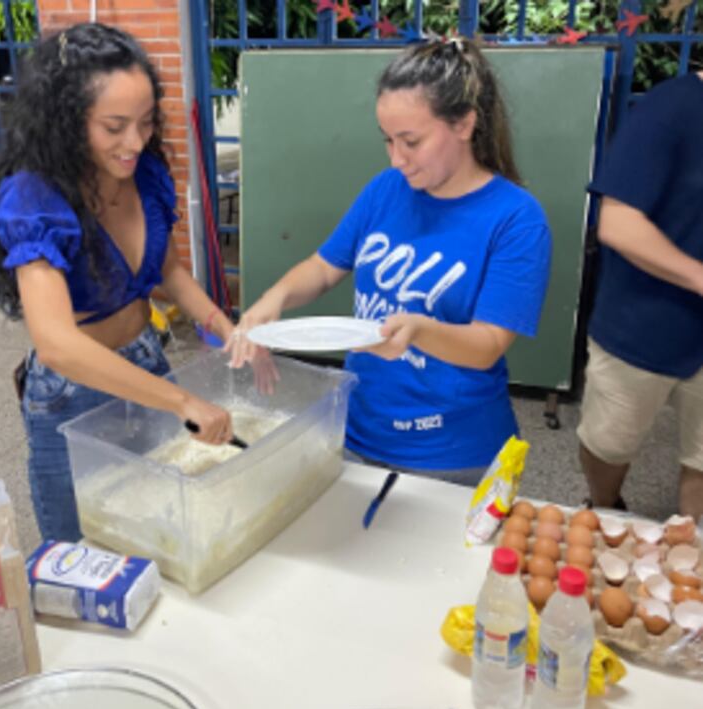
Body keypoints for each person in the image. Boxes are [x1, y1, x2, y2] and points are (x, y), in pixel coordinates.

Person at [229, 39, 551, 484]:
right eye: (388, 140)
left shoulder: (515, 218)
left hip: (453, 450)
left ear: (464, 124)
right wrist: (275, 297)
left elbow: (488, 344)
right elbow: (325, 267)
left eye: (411, 141)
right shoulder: (386, 189)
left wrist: (419, 330)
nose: (397, 158)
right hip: (359, 428)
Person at [0, 23, 239, 542]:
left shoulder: (144, 174)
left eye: (145, 123)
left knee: (158, 529)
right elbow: (56, 344)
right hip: (71, 392)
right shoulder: (35, 198)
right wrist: (182, 401)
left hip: (145, 360)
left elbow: (168, 271)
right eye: (114, 126)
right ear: (69, 122)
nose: (135, 142)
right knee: (82, 548)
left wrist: (224, 327)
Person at [577, 71, 703, 521]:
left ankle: (689, 548)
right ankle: (606, 505)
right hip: (642, 323)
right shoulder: (670, 108)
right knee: (608, 443)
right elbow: (618, 224)